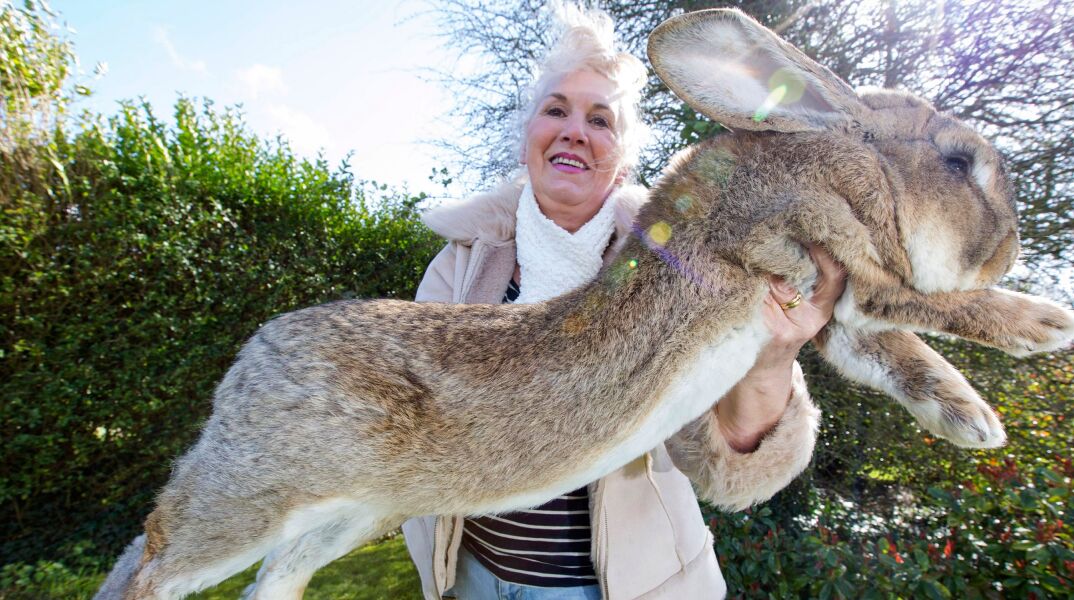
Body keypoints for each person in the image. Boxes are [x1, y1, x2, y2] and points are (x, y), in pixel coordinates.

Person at [402, 6, 846, 599]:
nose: (574, 130)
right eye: (555, 109)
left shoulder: (678, 270)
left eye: (600, 120)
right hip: (470, 578)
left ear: (624, 161)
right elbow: (415, 413)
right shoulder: (460, 264)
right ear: (527, 136)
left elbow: (727, 458)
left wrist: (771, 359)